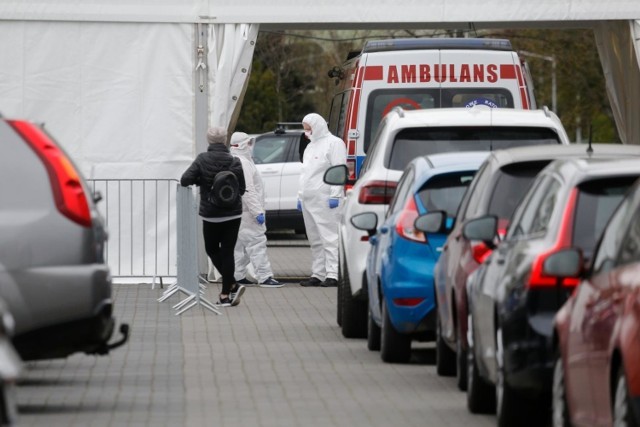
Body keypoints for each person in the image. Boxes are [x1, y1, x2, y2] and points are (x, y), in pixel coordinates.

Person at [180, 126, 247, 307]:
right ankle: (228, 289)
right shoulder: (235, 161)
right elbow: (241, 189)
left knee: (212, 249)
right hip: (233, 214)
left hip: (211, 214)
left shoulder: (202, 159)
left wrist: (200, 180)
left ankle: (229, 289)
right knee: (228, 253)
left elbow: (185, 179)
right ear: (225, 140)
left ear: (209, 140)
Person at [297, 113, 347, 287]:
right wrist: (300, 195)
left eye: (308, 128)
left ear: (317, 126)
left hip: (326, 199)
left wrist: (335, 194)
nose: (306, 132)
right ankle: (318, 273)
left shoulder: (334, 143)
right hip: (309, 200)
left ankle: (333, 274)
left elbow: (339, 169)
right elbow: (305, 173)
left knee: (330, 237)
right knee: (315, 239)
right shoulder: (311, 146)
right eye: (304, 128)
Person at [229, 132, 283, 288]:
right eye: (249, 143)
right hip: (248, 212)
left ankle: (238, 276)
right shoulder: (243, 163)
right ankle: (265, 277)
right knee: (257, 244)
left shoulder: (237, 160)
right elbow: (248, 190)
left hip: (238, 211)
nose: (251, 146)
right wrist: (257, 211)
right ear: (244, 145)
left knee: (239, 246)